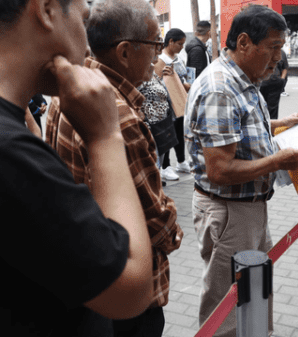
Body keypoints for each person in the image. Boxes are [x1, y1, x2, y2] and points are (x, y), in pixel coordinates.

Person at [1, 0, 153, 336]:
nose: (87, 45)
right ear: (46, 10)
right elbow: (131, 288)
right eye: (83, 20)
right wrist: (105, 136)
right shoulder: (10, 151)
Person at [45, 1, 183, 336]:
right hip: (129, 295)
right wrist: (175, 227)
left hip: (89, 273)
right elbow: (158, 226)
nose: (158, 55)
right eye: (154, 44)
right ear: (124, 52)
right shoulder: (117, 115)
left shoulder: (74, 87)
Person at [184, 5, 298, 336]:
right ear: (244, 43)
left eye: (282, 47)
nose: (279, 58)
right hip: (229, 212)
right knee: (227, 304)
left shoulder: (242, 78)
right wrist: (279, 160)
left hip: (248, 207)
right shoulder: (220, 88)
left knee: (254, 289)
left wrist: (279, 124)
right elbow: (221, 170)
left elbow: (238, 128)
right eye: (273, 47)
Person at [156, 28, 192, 180]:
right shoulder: (160, 60)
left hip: (178, 101)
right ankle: (165, 166)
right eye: (179, 43)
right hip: (165, 104)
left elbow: (182, 78)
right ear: (170, 42)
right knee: (167, 134)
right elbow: (155, 83)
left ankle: (181, 161)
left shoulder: (178, 59)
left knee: (179, 131)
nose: (181, 47)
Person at [138, 65, 179, 176]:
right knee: (154, 160)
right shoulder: (139, 72)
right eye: (154, 47)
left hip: (161, 123)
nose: (157, 51)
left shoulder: (151, 71)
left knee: (159, 158)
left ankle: (158, 180)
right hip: (150, 125)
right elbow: (133, 94)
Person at [259, 49, 289, 119]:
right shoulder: (260, 49)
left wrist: (282, 79)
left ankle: (271, 126)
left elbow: (285, 67)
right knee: (261, 106)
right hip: (262, 82)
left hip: (275, 82)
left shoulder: (281, 52)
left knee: (273, 108)